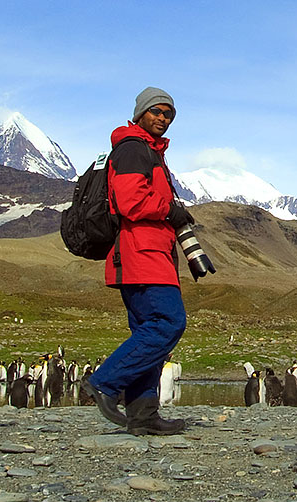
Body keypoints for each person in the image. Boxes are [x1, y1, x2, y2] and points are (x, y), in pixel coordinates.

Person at [82, 87, 194, 436]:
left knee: (149, 333)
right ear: (141, 112)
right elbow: (131, 202)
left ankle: (142, 415)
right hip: (139, 253)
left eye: (169, 114)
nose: (162, 118)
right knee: (167, 322)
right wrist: (171, 210)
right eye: (157, 111)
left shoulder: (149, 151)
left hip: (150, 253)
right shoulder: (133, 149)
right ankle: (104, 382)